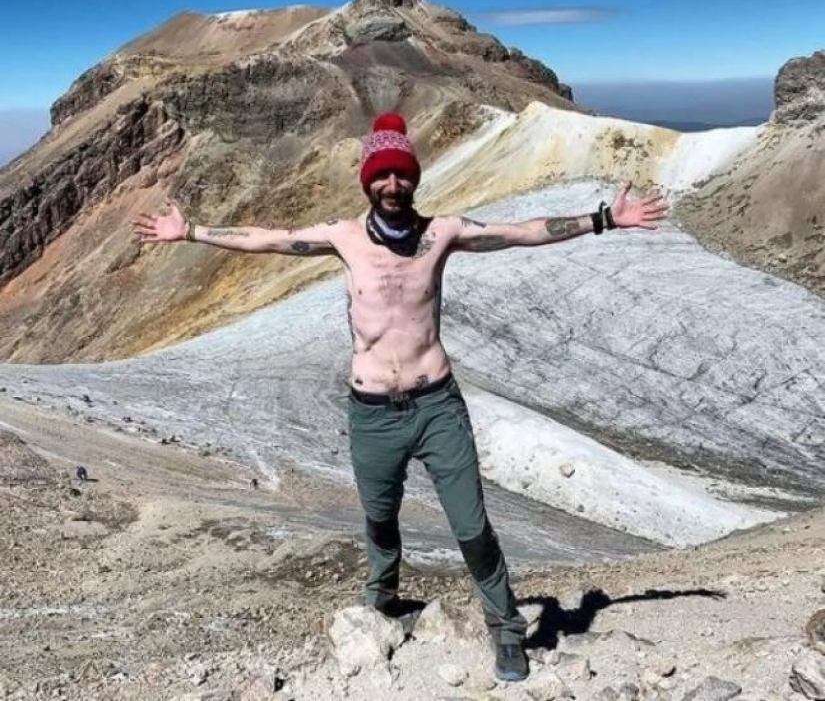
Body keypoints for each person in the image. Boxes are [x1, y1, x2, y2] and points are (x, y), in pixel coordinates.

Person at [133, 112, 668, 681]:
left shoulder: (442, 234)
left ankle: (507, 629)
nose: (393, 185)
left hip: (436, 404)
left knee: (471, 527)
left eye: (402, 174)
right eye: (382, 176)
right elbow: (266, 239)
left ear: (414, 178)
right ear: (367, 181)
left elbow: (520, 232)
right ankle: (383, 598)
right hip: (372, 413)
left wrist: (605, 218)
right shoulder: (343, 237)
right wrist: (190, 232)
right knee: (380, 519)